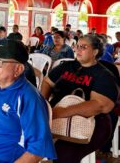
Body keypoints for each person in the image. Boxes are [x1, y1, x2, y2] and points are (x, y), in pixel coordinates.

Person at [41, 34, 118, 163]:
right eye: (77, 46)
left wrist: (60, 113)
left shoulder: (103, 75)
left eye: (83, 47)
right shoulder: (67, 66)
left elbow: (98, 105)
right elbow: (47, 82)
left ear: (95, 51)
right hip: (57, 116)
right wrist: (43, 104)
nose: (78, 50)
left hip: (92, 123)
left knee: (64, 153)